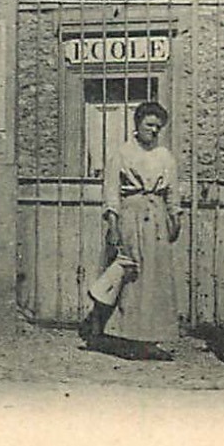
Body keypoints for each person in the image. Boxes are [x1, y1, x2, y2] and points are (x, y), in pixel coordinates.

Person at [78, 101, 182, 360]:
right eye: (149, 125)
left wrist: (175, 218)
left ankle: (150, 340)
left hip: (157, 219)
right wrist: (113, 226)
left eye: (158, 127)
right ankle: (124, 337)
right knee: (130, 277)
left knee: (155, 280)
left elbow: (172, 193)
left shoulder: (165, 156)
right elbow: (111, 192)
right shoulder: (122, 153)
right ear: (137, 124)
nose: (154, 131)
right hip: (131, 216)